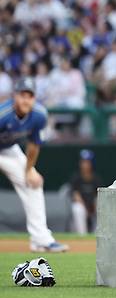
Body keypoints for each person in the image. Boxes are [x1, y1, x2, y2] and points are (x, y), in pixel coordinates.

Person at [0, 78, 69, 252]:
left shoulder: (39, 115)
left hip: (8, 150)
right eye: (22, 95)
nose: (26, 99)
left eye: (30, 96)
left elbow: (33, 145)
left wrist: (29, 170)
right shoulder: (3, 114)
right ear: (14, 96)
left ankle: (41, 240)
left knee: (34, 183)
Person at [69, 149, 102, 234]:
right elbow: (75, 195)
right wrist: (86, 208)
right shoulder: (76, 178)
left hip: (93, 206)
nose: (85, 165)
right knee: (77, 208)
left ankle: (97, 234)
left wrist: (94, 207)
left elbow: (98, 196)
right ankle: (82, 235)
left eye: (87, 162)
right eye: (83, 162)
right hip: (82, 206)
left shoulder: (96, 178)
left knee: (101, 206)